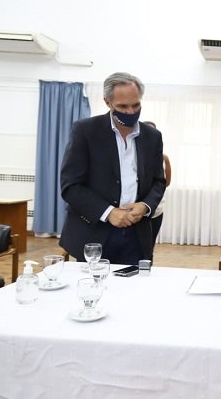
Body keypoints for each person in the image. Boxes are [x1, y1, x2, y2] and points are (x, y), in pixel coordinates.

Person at [59, 72, 166, 265]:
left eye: (136, 105)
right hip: (94, 233)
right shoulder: (85, 131)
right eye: (122, 106)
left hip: (137, 234)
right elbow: (71, 186)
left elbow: (158, 181)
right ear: (107, 102)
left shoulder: (152, 137)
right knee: (94, 283)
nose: (130, 112)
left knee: (134, 283)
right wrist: (109, 212)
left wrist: (145, 206)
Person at [145, 121, 171, 254]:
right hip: (136, 210)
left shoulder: (163, 158)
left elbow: (166, 182)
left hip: (156, 209)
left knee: (150, 244)